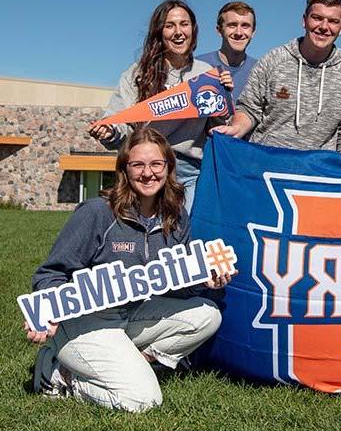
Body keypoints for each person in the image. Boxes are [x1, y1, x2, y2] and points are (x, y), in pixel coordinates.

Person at [25, 127, 230, 413]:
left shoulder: (176, 216)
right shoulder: (97, 212)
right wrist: (46, 309)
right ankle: (58, 374)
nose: (148, 173)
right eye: (138, 165)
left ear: (169, 168)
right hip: (85, 323)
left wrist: (204, 281)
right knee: (143, 400)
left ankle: (137, 363)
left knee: (207, 314)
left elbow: (175, 284)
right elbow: (49, 274)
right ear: (124, 169)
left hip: (131, 315)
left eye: (156, 164)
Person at [89, 0, 231, 212]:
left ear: (193, 29)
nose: (178, 32)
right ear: (159, 32)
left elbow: (218, 128)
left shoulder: (206, 73)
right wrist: (109, 132)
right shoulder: (137, 74)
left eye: (184, 24)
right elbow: (119, 122)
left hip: (189, 172)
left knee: (184, 238)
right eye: (169, 25)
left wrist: (223, 98)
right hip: (147, 169)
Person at [212, 0, 341, 156]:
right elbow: (250, 108)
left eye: (333, 21)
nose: (324, 27)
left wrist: (338, 168)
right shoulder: (273, 59)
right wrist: (236, 128)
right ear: (304, 21)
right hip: (265, 161)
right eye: (317, 18)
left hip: (318, 171)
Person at [196, 0, 258, 101]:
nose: (239, 32)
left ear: (253, 32)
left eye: (245, 26)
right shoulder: (198, 66)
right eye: (232, 25)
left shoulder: (260, 70)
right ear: (219, 30)